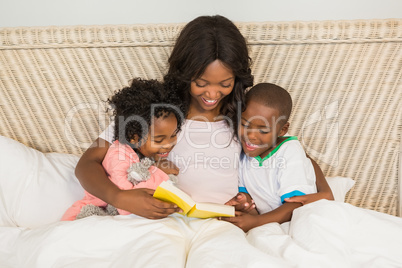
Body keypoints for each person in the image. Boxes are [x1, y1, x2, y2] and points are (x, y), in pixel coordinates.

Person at [73, 15, 333, 266]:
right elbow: (87, 163)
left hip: (220, 223)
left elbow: (292, 152)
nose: (212, 93)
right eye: (201, 82)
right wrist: (118, 197)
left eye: (225, 83)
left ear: (237, 79)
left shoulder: (242, 115)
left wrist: (325, 192)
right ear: (185, 75)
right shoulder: (156, 112)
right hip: (160, 219)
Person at [61, 78, 185, 221]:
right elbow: (128, 196)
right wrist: (158, 171)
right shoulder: (119, 152)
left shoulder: (149, 146)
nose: (169, 144)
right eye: (158, 140)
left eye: (174, 135)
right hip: (94, 213)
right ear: (134, 137)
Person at [222, 83, 317, 232]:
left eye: (263, 130)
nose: (251, 136)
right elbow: (249, 192)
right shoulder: (242, 151)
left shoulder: (289, 151)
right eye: (245, 125)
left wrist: (256, 222)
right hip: (267, 224)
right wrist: (244, 201)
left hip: (300, 221)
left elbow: (296, 204)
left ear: (282, 129)